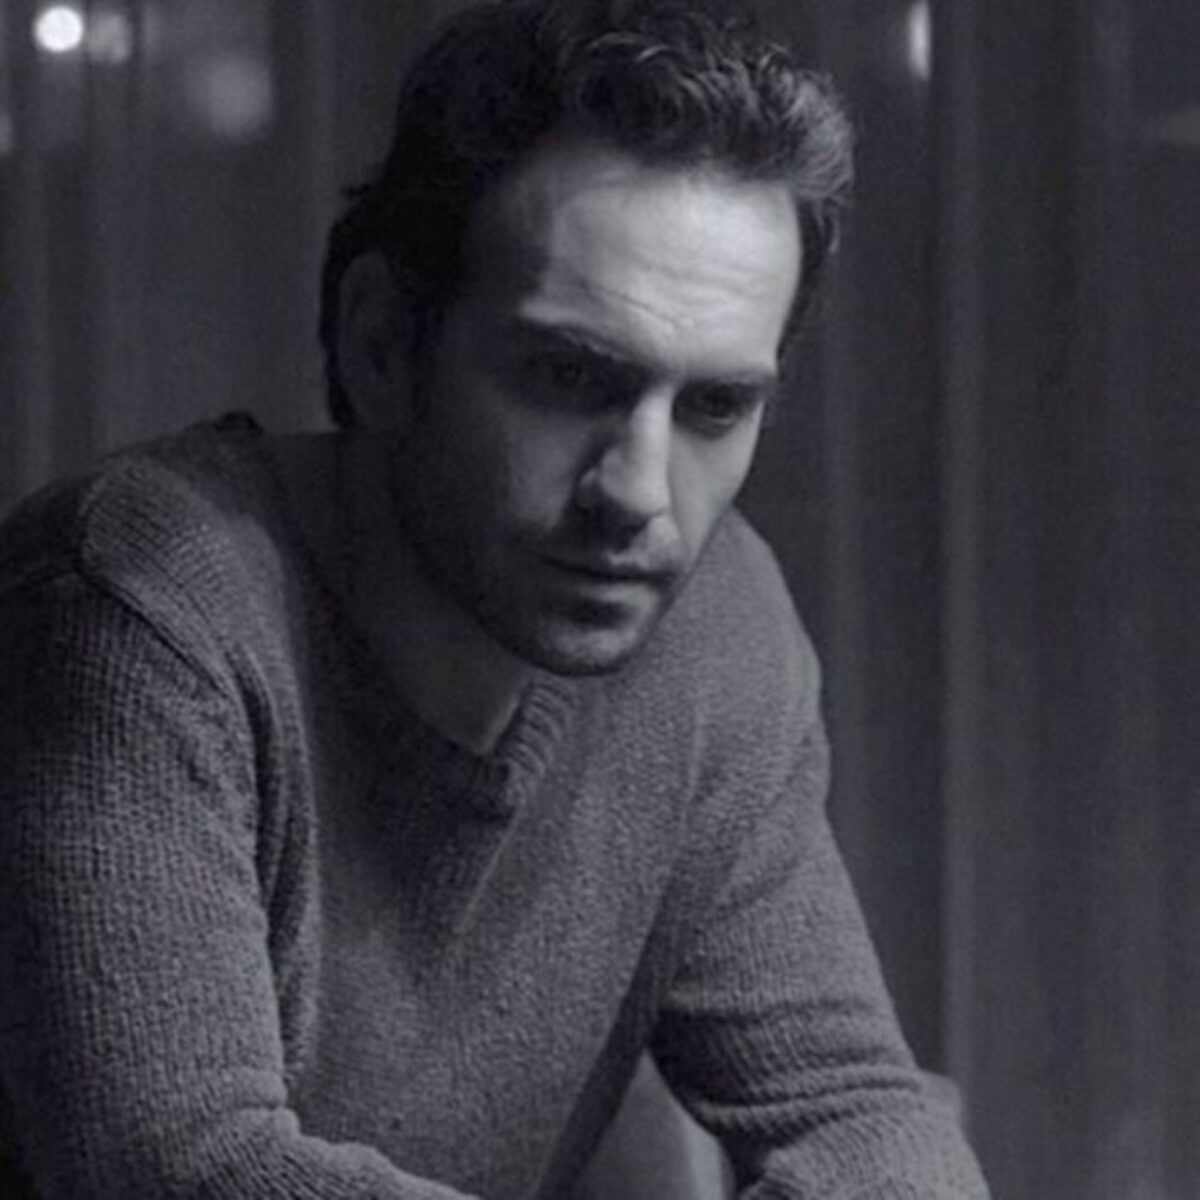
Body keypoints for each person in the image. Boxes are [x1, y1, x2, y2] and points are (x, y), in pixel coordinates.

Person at [0, 1, 990, 1196]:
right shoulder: (134, 604)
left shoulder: (716, 621)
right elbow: (186, 1170)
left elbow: (857, 1107)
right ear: (382, 344)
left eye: (716, 407)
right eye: (570, 376)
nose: (639, 493)